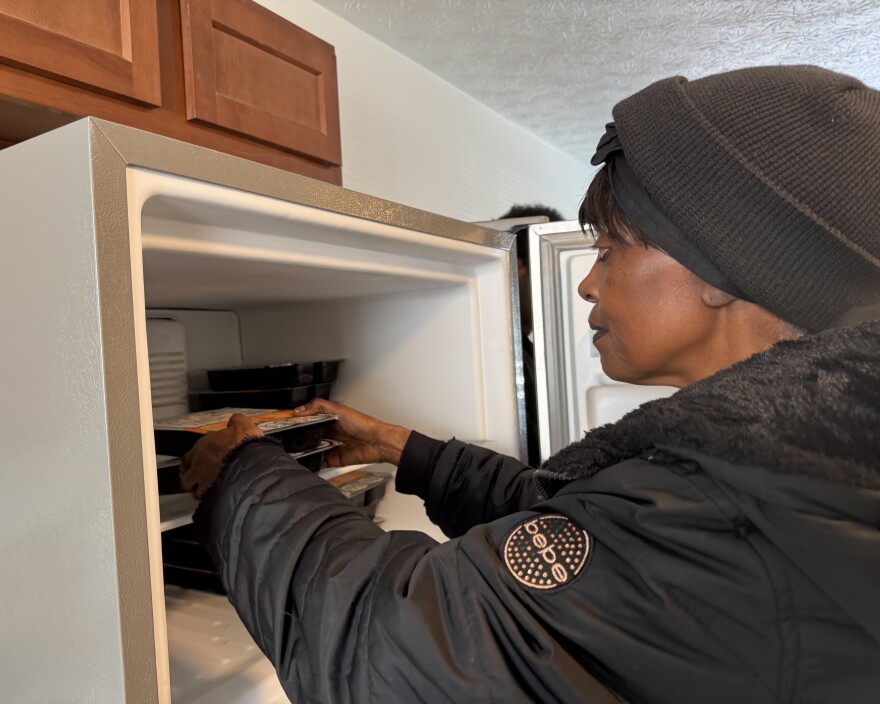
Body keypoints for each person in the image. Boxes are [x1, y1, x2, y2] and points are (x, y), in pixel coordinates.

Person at [181, 65, 880, 703]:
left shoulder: (731, 516)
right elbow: (588, 539)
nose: (585, 280)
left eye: (609, 250)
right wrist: (410, 452)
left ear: (722, 266)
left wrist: (241, 478)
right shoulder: (791, 473)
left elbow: (386, 654)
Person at [497, 203, 564, 465]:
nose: (559, 286)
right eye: (551, 270)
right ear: (518, 266)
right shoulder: (502, 355)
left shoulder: (529, 352)